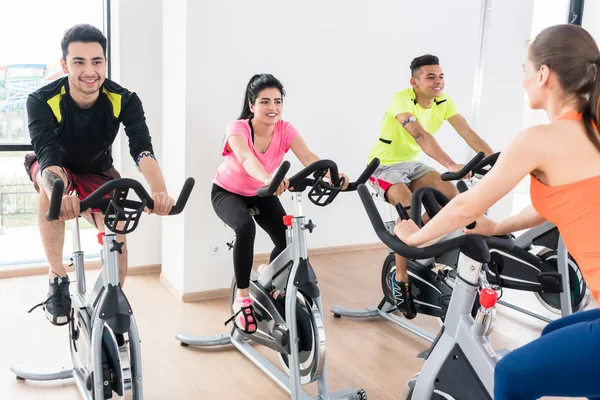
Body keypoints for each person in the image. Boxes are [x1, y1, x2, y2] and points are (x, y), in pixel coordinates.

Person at [394, 24, 600, 400]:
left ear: (543, 74)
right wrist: (498, 225)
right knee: (555, 334)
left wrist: (414, 237)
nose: (522, 79)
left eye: (524, 68)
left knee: (510, 375)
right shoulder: (592, 130)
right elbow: (556, 202)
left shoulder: (539, 140)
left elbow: (466, 205)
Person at [25, 24, 175, 326]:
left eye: (97, 61)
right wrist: (60, 194)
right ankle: (57, 277)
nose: (89, 70)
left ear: (105, 62)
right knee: (48, 189)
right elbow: (49, 157)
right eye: (79, 62)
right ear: (65, 64)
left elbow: (142, 151)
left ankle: (111, 296)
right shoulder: (42, 100)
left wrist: (159, 191)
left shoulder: (124, 99)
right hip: (56, 169)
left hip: (98, 170)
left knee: (118, 225)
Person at [212, 73, 349, 333]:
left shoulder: (286, 129)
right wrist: (268, 177)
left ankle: (268, 278)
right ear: (251, 105)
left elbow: (307, 156)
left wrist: (335, 175)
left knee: (287, 240)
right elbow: (244, 157)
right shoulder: (238, 128)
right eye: (265, 102)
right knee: (245, 228)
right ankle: (242, 300)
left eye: (277, 101)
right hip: (227, 192)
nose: (272, 107)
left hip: (263, 192)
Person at [367, 54, 493, 318]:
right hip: (383, 166)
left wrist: (495, 161)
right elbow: (421, 135)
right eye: (430, 77)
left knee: (455, 200)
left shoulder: (444, 101)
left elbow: (467, 132)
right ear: (414, 81)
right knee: (406, 207)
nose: (438, 82)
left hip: (413, 165)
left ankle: (422, 239)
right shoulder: (401, 99)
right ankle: (400, 279)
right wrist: (450, 165)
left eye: (441, 76)